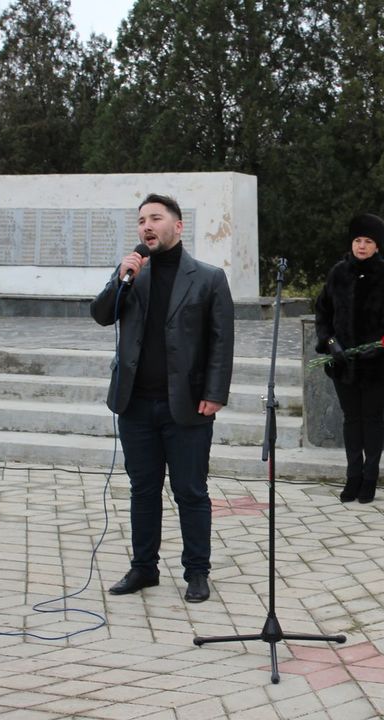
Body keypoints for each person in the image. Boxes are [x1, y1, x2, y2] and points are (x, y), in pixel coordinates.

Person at [90, 193, 235, 603]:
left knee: (190, 490)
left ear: (178, 225)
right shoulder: (132, 273)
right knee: (143, 489)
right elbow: (101, 314)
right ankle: (143, 568)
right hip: (135, 403)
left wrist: (214, 394)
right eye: (141, 221)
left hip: (188, 404)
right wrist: (122, 277)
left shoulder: (208, 278)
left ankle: (197, 572)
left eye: (155, 218)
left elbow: (222, 343)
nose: (146, 227)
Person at [314, 213, 384, 504]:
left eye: (368, 241)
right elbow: (323, 312)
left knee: (372, 419)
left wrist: (383, 347)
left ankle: (370, 478)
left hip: (376, 365)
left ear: (377, 246)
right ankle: (352, 476)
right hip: (343, 363)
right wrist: (330, 343)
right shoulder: (338, 273)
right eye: (358, 240)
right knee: (351, 419)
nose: (361, 246)